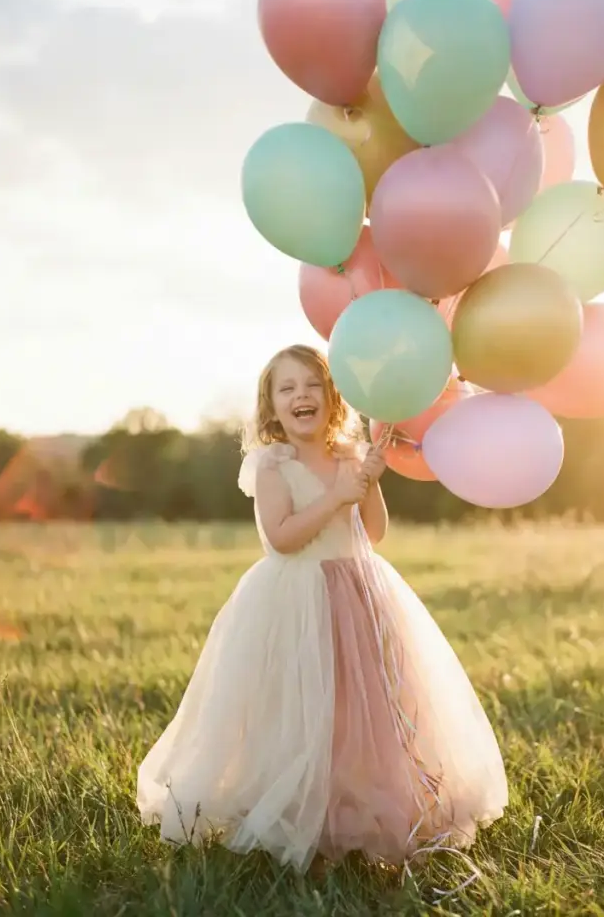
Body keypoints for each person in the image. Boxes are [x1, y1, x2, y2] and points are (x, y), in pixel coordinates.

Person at [137, 344, 507, 875]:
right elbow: (282, 538)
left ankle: (358, 807)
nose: (300, 396)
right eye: (287, 389)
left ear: (333, 396)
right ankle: (296, 811)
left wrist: (368, 485)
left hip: (359, 592)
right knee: (303, 709)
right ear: (271, 408)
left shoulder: (350, 455)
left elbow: (373, 534)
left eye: (312, 385)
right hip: (297, 601)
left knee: (365, 709)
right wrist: (336, 496)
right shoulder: (271, 464)